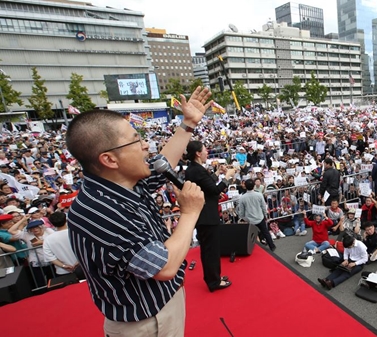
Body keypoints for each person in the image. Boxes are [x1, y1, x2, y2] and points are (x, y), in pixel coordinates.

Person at [65, 87, 209, 335]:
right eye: (136, 140)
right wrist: (190, 213)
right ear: (109, 160)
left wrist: (187, 125)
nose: (146, 146)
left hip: (160, 306)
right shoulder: (100, 212)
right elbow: (164, 268)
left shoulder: (119, 181)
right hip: (146, 322)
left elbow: (163, 162)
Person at [184, 140, 234, 291]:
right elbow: (214, 190)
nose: (207, 152)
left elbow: (207, 185)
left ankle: (214, 277)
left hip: (204, 215)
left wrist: (218, 173)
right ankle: (213, 282)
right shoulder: (197, 170)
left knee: (209, 249)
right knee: (210, 250)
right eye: (205, 150)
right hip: (206, 216)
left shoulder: (194, 168)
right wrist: (227, 177)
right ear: (198, 153)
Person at [237, 179, 276, 252]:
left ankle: (255, 250)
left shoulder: (242, 197)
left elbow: (241, 211)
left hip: (250, 220)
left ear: (245, 186)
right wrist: (265, 215)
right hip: (259, 217)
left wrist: (243, 218)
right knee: (265, 232)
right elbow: (263, 206)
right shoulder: (259, 194)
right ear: (254, 186)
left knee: (251, 235)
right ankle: (272, 246)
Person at [42, 211, 84, 280]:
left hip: (63, 271)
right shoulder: (76, 233)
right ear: (66, 219)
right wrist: (79, 262)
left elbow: (49, 257)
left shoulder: (48, 239)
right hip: (82, 267)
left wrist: (64, 266)